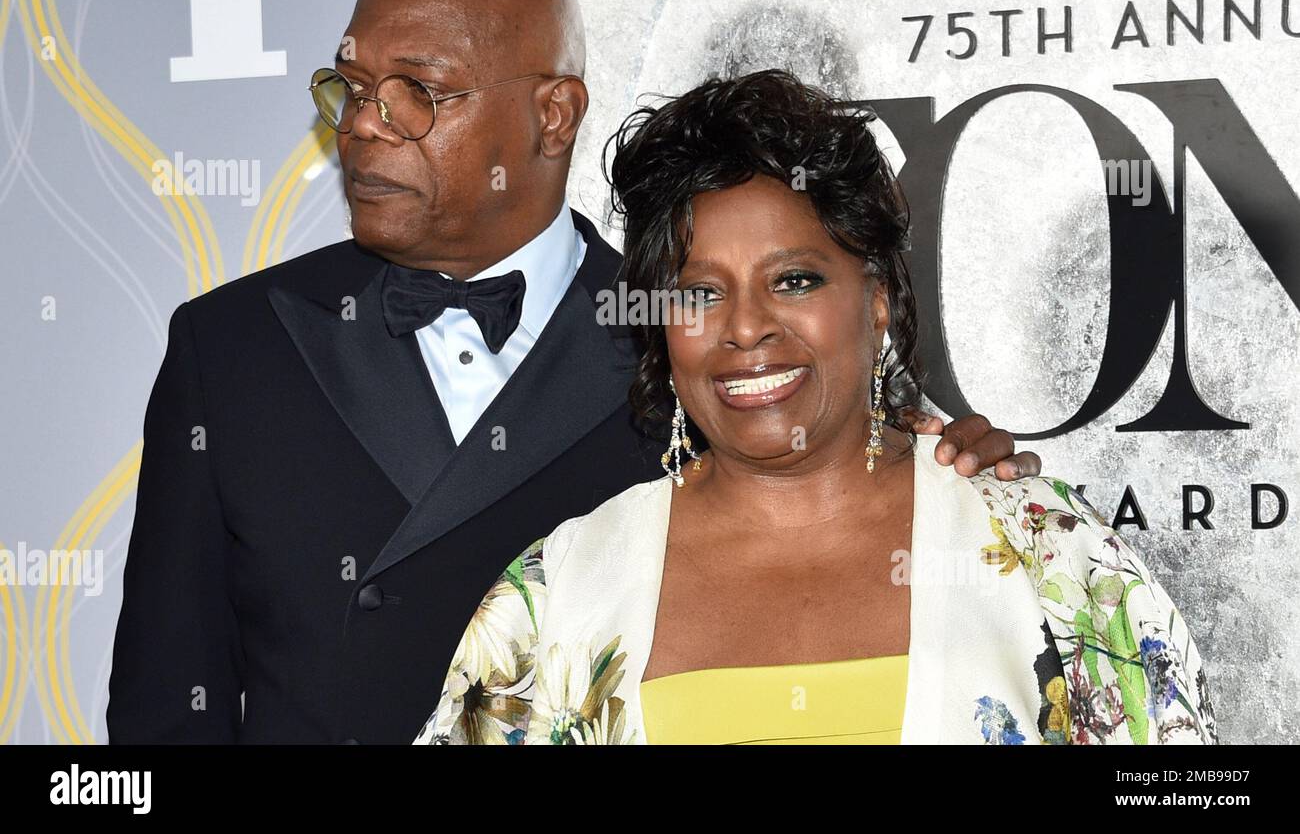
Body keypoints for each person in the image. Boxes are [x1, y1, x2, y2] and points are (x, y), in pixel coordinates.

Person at [106, 0, 1035, 744]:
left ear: (554, 114)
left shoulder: (698, 341)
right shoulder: (229, 349)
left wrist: (960, 474)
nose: (360, 128)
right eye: (350, 90)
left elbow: (854, 505)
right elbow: (162, 712)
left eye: (415, 94)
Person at [416, 70, 1217, 746]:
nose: (745, 327)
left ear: (875, 299)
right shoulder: (560, 585)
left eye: (794, 279)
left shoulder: (1042, 547)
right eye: (699, 292)